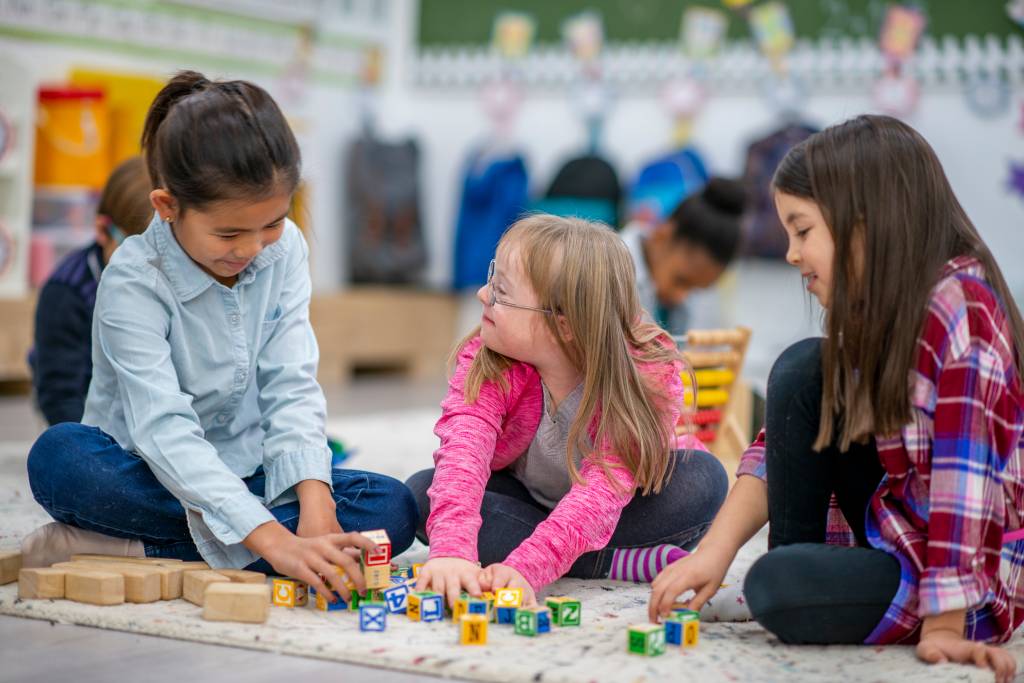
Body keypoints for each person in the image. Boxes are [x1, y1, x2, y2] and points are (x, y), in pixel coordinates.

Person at [648, 115, 1023, 683]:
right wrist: (712, 555)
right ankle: (794, 573)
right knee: (804, 369)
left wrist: (945, 627)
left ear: (863, 227)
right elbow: (784, 443)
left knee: (777, 588)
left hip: (965, 575)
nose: (792, 254)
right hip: (895, 530)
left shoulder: (959, 305)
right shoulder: (872, 313)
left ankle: (795, 586)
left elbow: (961, 479)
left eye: (803, 231)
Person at [23, 71, 418, 601]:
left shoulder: (286, 249)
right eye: (229, 233)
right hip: (146, 472)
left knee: (392, 507)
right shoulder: (133, 280)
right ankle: (238, 544)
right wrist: (277, 541)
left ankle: (131, 547)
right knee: (60, 458)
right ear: (167, 207)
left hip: (249, 471)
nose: (253, 247)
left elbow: (292, 386)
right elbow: (164, 433)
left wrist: (317, 508)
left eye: (273, 222)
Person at [406, 214, 728, 608]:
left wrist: (529, 566)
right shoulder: (490, 358)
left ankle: (583, 557)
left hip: (618, 509)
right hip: (524, 499)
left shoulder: (648, 374)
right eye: (493, 279)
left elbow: (602, 494)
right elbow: (464, 453)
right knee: (424, 492)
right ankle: (616, 563)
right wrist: (453, 552)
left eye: (501, 292)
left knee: (703, 479)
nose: (482, 295)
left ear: (565, 324)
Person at [29, 155, 152, 425]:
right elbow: (59, 395)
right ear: (102, 231)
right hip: (84, 412)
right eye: (135, 253)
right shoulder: (67, 293)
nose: (149, 270)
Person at [620, 177, 745, 336]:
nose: (681, 297)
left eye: (696, 289)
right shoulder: (606, 275)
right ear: (662, 235)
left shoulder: (699, 293)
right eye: (681, 281)